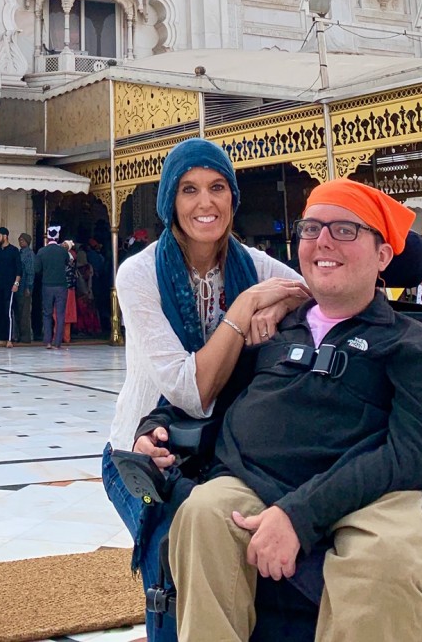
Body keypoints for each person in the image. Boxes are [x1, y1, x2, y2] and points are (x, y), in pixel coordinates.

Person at [156, 179, 422, 642]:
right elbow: (214, 393)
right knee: (203, 514)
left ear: (382, 256)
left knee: (383, 563)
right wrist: (155, 424)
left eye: (343, 229)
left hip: (370, 494)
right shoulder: (275, 330)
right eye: (311, 228)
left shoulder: (410, 343)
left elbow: (413, 455)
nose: (322, 241)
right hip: (256, 481)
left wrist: (300, 514)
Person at [104, 137, 308, 642]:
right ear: (170, 200)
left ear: (232, 198)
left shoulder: (253, 267)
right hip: (144, 451)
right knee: (174, 561)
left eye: (218, 187)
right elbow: (187, 391)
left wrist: (278, 307)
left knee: (230, 565)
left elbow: (311, 295)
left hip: (224, 451)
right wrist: (242, 313)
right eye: (189, 189)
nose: (205, 203)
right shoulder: (139, 273)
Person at [36, 226, 71, 350]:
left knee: (47, 313)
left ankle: (48, 341)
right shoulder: (63, 251)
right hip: (61, 286)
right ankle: (57, 343)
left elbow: (37, 269)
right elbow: (68, 263)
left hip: (47, 285)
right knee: (60, 314)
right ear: (57, 237)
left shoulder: (41, 251)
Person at [0, 226, 22, 345]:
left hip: (10, 286)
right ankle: (1, 338)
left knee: (8, 311)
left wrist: (16, 284)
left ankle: (9, 339)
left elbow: (19, 269)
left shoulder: (14, 250)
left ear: (5, 236)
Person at [75, 243, 102, 337]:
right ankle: (91, 329)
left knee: (82, 313)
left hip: (80, 293)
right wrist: (89, 291)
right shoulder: (89, 267)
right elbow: (91, 279)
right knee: (90, 312)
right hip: (89, 292)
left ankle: (82, 329)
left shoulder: (76, 268)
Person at [15, 234, 35, 344]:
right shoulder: (20, 253)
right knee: (18, 312)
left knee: (25, 313)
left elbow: (30, 272)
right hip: (18, 286)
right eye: (20, 240)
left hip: (24, 287)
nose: (21, 242)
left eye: (23, 240)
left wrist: (28, 286)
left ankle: (25, 336)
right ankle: (19, 335)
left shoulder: (29, 254)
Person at [61, 239, 79, 344]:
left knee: (66, 313)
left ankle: (65, 337)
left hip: (67, 288)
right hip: (66, 288)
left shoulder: (69, 258)